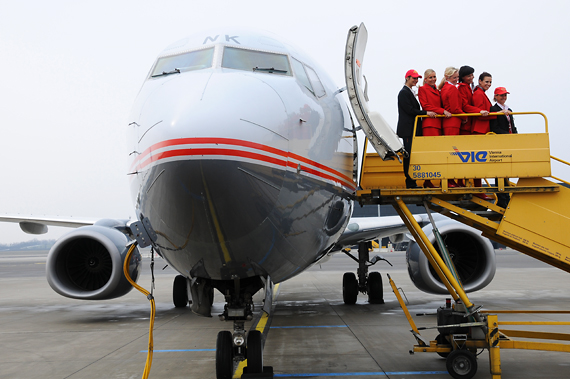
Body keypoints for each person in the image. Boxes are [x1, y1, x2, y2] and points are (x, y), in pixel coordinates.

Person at [397, 69, 434, 188]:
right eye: (413, 78)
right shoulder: (404, 93)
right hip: (408, 130)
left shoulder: (411, 92)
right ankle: (410, 181)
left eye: (417, 78)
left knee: (412, 154)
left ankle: (411, 180)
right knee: (408, 155)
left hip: (412, 129)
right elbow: (410, 110)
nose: (416, 80)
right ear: (407, 78)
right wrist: (425, 113)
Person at [418, 69, 451, 187]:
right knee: (431, 153)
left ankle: (435, 179)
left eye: (434, 77)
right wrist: (442, 111)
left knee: (438, 153)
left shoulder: (436, 89)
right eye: (430, 77)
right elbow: (426, 105)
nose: (433, 79)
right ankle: (427, 180)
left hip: (438, 123)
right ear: (425, 79)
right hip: (430, 124)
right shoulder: (422, 89)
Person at [490, 87, 516, 207]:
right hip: (500, 141)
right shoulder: (493, 109)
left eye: (505, 95)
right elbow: (494, 127)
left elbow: (512, 125)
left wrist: (516, 136)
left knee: (507, 168)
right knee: (499, 170)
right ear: (495, 96)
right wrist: (507, 136)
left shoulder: (508, 109)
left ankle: (506, 195)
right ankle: (502, 198)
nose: (503, 98)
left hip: (508, 141)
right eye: (501, 96)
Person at [458, 65, 489, 135]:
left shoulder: (468, 87)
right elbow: (465, 106)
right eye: (469, 76)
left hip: (469, 122)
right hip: (466, 123)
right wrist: (479, 111)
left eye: (472, 75)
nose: (472, 77)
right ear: (463, 77)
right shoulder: (462, 88)